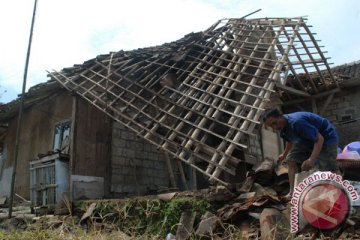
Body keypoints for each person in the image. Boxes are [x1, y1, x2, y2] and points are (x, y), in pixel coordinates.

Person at [262, 108, 340, 198]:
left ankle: (340, 192)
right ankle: (292, 192)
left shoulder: (297, 122)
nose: (274, 127)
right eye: (271, 126)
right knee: (291, 160)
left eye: (274, 123)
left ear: (280, 116)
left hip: (326, 138)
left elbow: (319, 139)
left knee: (329, 168)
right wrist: (284, 154)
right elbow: (290, 140)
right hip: (306, 140)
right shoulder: (282, 127)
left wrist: (311, 159)